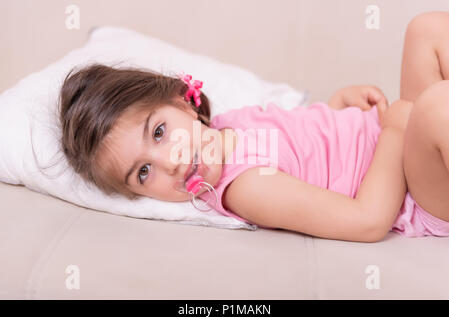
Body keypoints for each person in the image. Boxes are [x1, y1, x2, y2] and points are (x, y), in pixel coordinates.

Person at [58, 11, 449, 243]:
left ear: (182, 100)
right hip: (416, 191)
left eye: (158, 132)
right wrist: (396, 131)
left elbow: (308, 152)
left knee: (426, 30)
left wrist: (335, 108)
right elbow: (367, 221)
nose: (170, 162)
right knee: (435, 107)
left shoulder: (232, 125)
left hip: (402, 146)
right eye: (143, 172)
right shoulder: (246, 186)